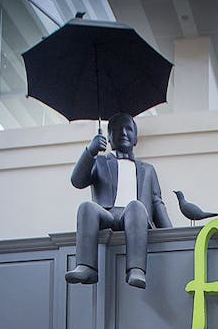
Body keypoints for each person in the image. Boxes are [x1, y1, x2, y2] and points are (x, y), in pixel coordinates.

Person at [64, 112, 172, 289]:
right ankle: (86, 265)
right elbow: (77, 180)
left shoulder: (148, 169)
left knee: (137, 206)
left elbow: (156, 202)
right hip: (107, 214)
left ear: (136, 138)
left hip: (135, 217)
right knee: (86, 207)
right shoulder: (99, 161)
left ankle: (136, 269)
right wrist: (90, 151)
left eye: (128, 129)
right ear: (108, 137)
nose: (123, 132)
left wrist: (171, 235)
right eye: (117, 129)